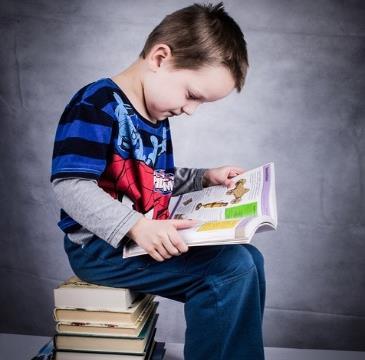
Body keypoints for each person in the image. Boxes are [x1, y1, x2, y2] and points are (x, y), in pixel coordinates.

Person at [50, 2, 266, 359]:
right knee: (229, 269)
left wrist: (203, 178)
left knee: (250, 258)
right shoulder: (96, 105)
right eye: (192, 94)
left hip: (142, 237)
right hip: (101, 248)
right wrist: (135, 225)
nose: (190, 110)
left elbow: (155, 181)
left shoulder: (155, 115)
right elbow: (70, 184)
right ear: (160, 57)